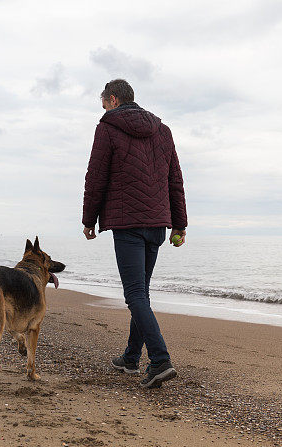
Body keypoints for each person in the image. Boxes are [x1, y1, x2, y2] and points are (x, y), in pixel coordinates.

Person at [82, 79, 187, 389]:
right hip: (157, 223)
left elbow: (96, 177)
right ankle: (130, 358)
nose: (103, 109)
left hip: (127, 223)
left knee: (135, 294)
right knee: (141, 292)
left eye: (103, 103)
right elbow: (175, 181)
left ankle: (160, 360)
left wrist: (89, 219)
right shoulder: (163, 131)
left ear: (113, 99)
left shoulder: (107, 127)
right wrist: (179, 223)